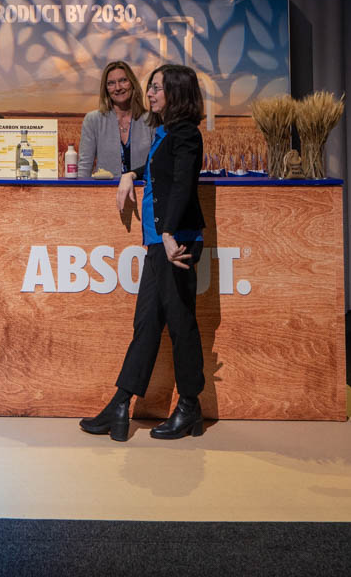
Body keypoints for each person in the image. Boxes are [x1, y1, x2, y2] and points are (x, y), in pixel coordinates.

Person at [80, 64, 206, 442]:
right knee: (147, 323)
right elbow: (157, 169)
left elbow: (183, 184)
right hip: (157, 242)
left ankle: (189, 407)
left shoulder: (187, 134)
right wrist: (130, 173)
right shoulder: (165, 131)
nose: (149, 94)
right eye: (150, 88)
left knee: (181, 324)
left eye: (157, 88)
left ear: (177, 93)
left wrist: (168, 233)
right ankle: (121, 404)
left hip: (175, 242)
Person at [78, 61, 155, 177]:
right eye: (111, 83)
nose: (118, 88)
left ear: (132, 83)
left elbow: (158, 163)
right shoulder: (93, 120)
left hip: (143, 191)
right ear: (106, 89)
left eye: (123, 80)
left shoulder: (151, 120)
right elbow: (84, 166)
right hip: (105, 192)